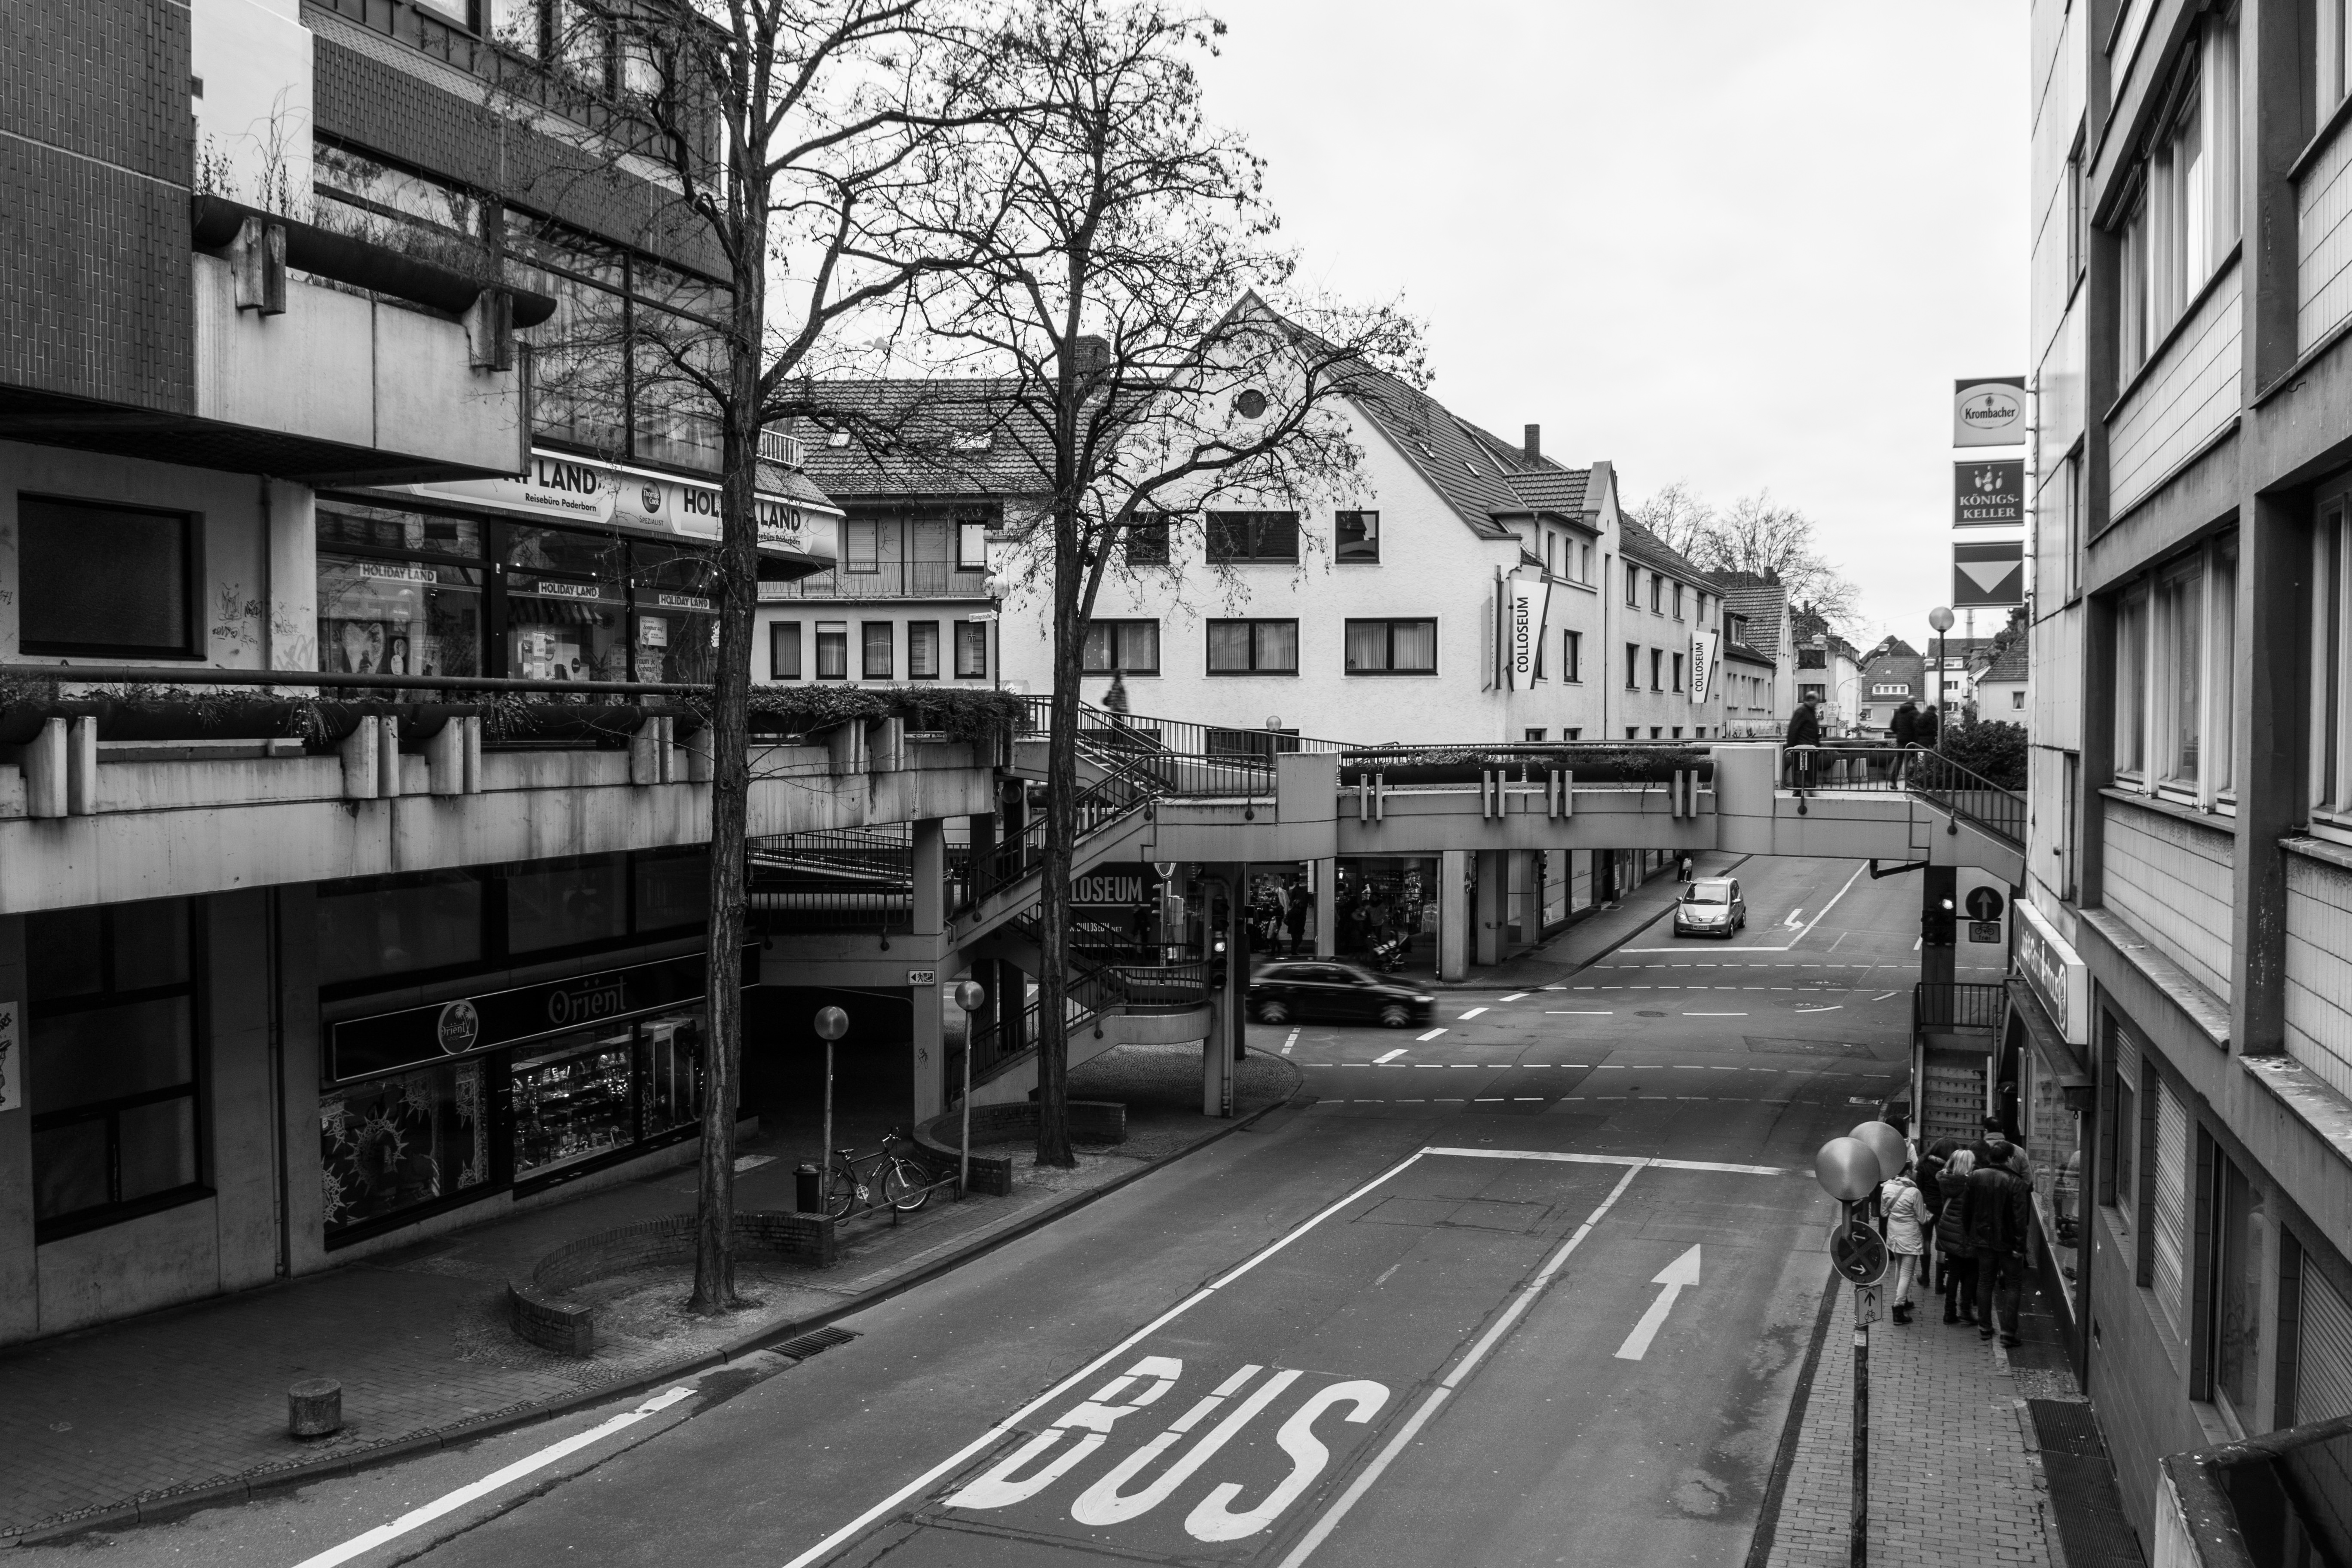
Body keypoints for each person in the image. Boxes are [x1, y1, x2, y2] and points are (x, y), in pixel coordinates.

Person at [1963, 1144, 2034, 1346]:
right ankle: (2008, 1333)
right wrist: (2020, 1246)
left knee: (1985, 1281)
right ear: (2010, 1159)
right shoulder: (2015, 1182)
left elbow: (1967, 1209)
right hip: (2008, 1242)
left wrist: (1970, 1234)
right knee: (2013, 1284)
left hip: (1983, 1239)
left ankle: (1985, 1327)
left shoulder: (1975, 1177)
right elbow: (2020, 1219)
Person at [1880, 1163, 1931, 1325]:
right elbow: (1922, 1219)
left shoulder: (1887, 1188)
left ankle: (1903, 1298)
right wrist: (1926, 1211)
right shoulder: (1914, 1192)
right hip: (1909, 1235)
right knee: (1907, 1273)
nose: (1916, 1172)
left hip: (1894, 1233)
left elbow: (1884, 1213)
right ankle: (1898, 1307)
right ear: (1908, 1172)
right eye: (1914, 1170)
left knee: (1899, 1267)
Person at [1936, 1147, 1977, 1324]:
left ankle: (1949, 1313)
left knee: (1954, 1273)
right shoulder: (1970, 1185)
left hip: (1949, 1231)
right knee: (1971, 1272)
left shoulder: (1946, 1181)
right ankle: (1965, 1310)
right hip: (1966, 1233)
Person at [1784, 700, 1822, 792]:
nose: (1816, 704)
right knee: (1801, 770)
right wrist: (1791, 747)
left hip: (1809, 748)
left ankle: (1806, 790)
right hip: (1802, 747)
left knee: (1807, 771)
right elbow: (1793, 730)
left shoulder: (1810, 712)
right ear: (1810, 700)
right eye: (1815, 701)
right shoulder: (1802, 712)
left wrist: (1818, 746)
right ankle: (1800, 791)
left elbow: (1814, 732)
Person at [1285, 877, 1311, 956]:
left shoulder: (1296, 890)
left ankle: (1293, 950)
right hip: (1298, 925)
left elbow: (1288, 918)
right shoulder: (1306, 890)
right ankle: (1294, 950)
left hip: (1293, 926)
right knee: (1298, 938)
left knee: (1294, 938)